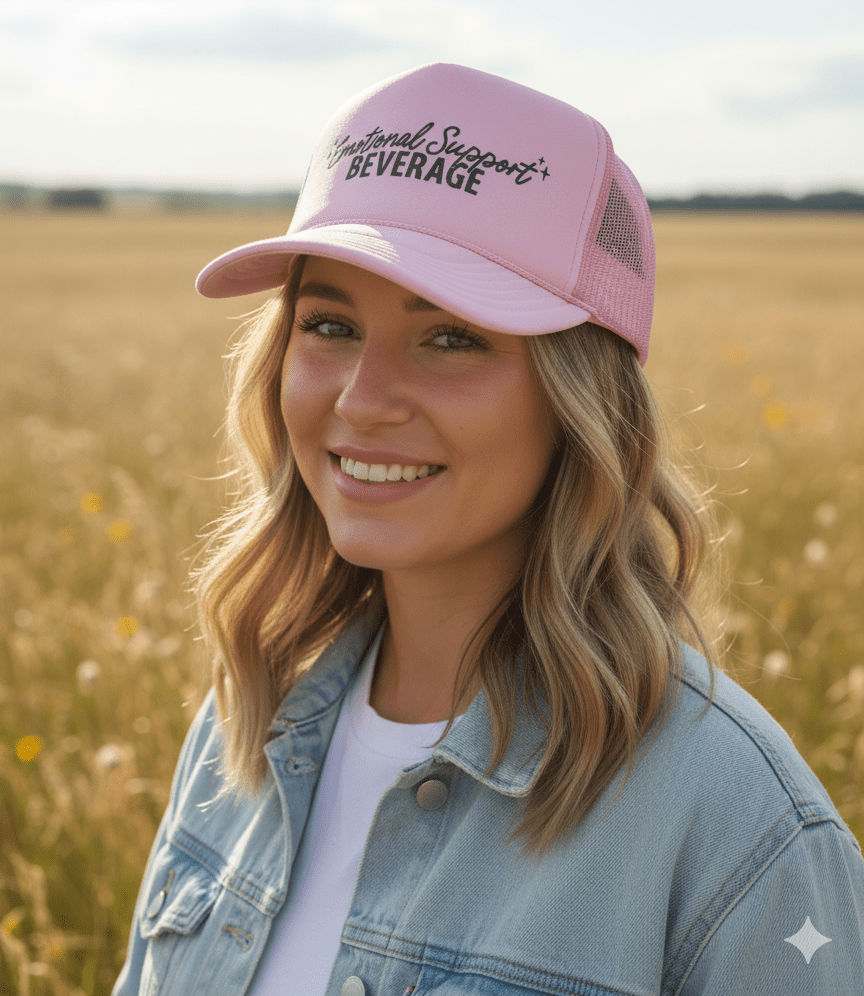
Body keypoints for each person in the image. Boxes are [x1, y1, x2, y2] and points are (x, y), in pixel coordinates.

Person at [112, 63, 864, 996]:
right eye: (329, 325)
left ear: (579, 398)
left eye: (452, 337)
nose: (362, 399)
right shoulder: (246, 728)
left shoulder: (737, 825)